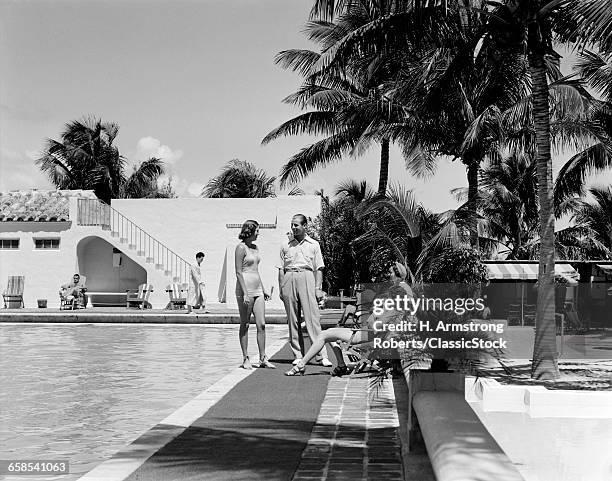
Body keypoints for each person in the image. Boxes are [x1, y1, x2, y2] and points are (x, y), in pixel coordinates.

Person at [285, 262, 412, 376]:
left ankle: (301, 365)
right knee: (328, 334)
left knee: (324, 335)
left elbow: (389, 317)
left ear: (397, 274)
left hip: (367, 334)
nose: (388, 275)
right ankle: (340, 365)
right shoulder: (403, 290)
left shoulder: (399, 291)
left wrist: (376, 318)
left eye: (390, 273)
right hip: (369, 332)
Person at [278, 214, 332, 367]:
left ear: (304, 226)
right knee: (292, 320)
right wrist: (282, 288)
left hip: (307, 276)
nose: (293, 228)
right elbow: (281, 269)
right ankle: (297, 354)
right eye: (292, 225)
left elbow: (319, 268)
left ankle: (321, 355)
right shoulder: (285, 245)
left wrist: (318, 288)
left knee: (312, 319)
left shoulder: (314, 244)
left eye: (296, 225)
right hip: (289, 277)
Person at [235, 220, 274, 369]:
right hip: (245, 290)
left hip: (257, 289)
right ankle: (245, 358)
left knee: (262, 324)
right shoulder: (240, 247)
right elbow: (238, 272)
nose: (258, 233)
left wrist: (263, 289)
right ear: (249, 231)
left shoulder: (256, 248)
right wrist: (245, 293)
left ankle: (263, 357)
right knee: (245, 324)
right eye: (257, 230)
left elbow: (256, 270)